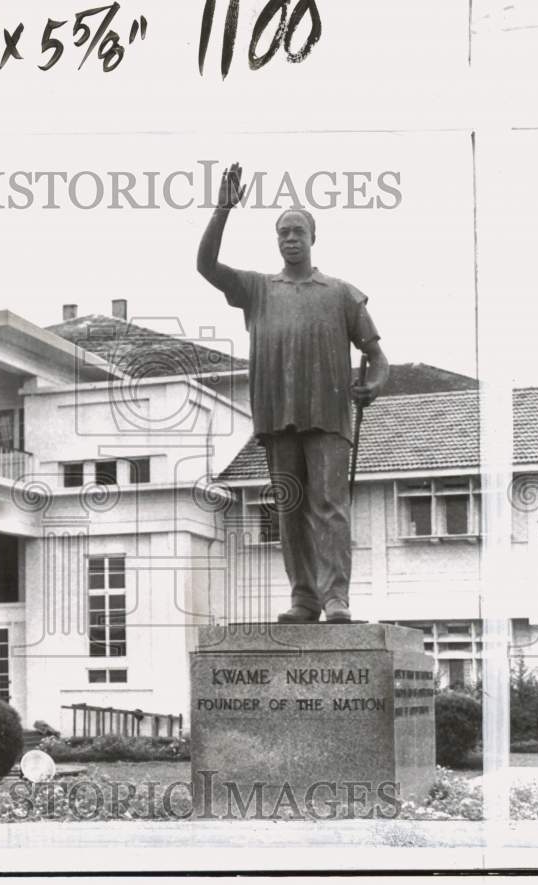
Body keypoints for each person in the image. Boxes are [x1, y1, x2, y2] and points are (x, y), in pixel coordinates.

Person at [197, 162, 389, 624]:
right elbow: (206, 265)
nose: (290, 237)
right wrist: (223, 209)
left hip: (328, 415)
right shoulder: (258, 289)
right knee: (291, 508)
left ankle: (335, 597)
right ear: (276, 240)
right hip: (276, 414)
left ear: (312, 238)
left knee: (329, 508)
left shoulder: (341, 294)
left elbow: (378, 357)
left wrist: (373, 385)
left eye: (298, 230)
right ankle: (304, 597)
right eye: (283, 231)